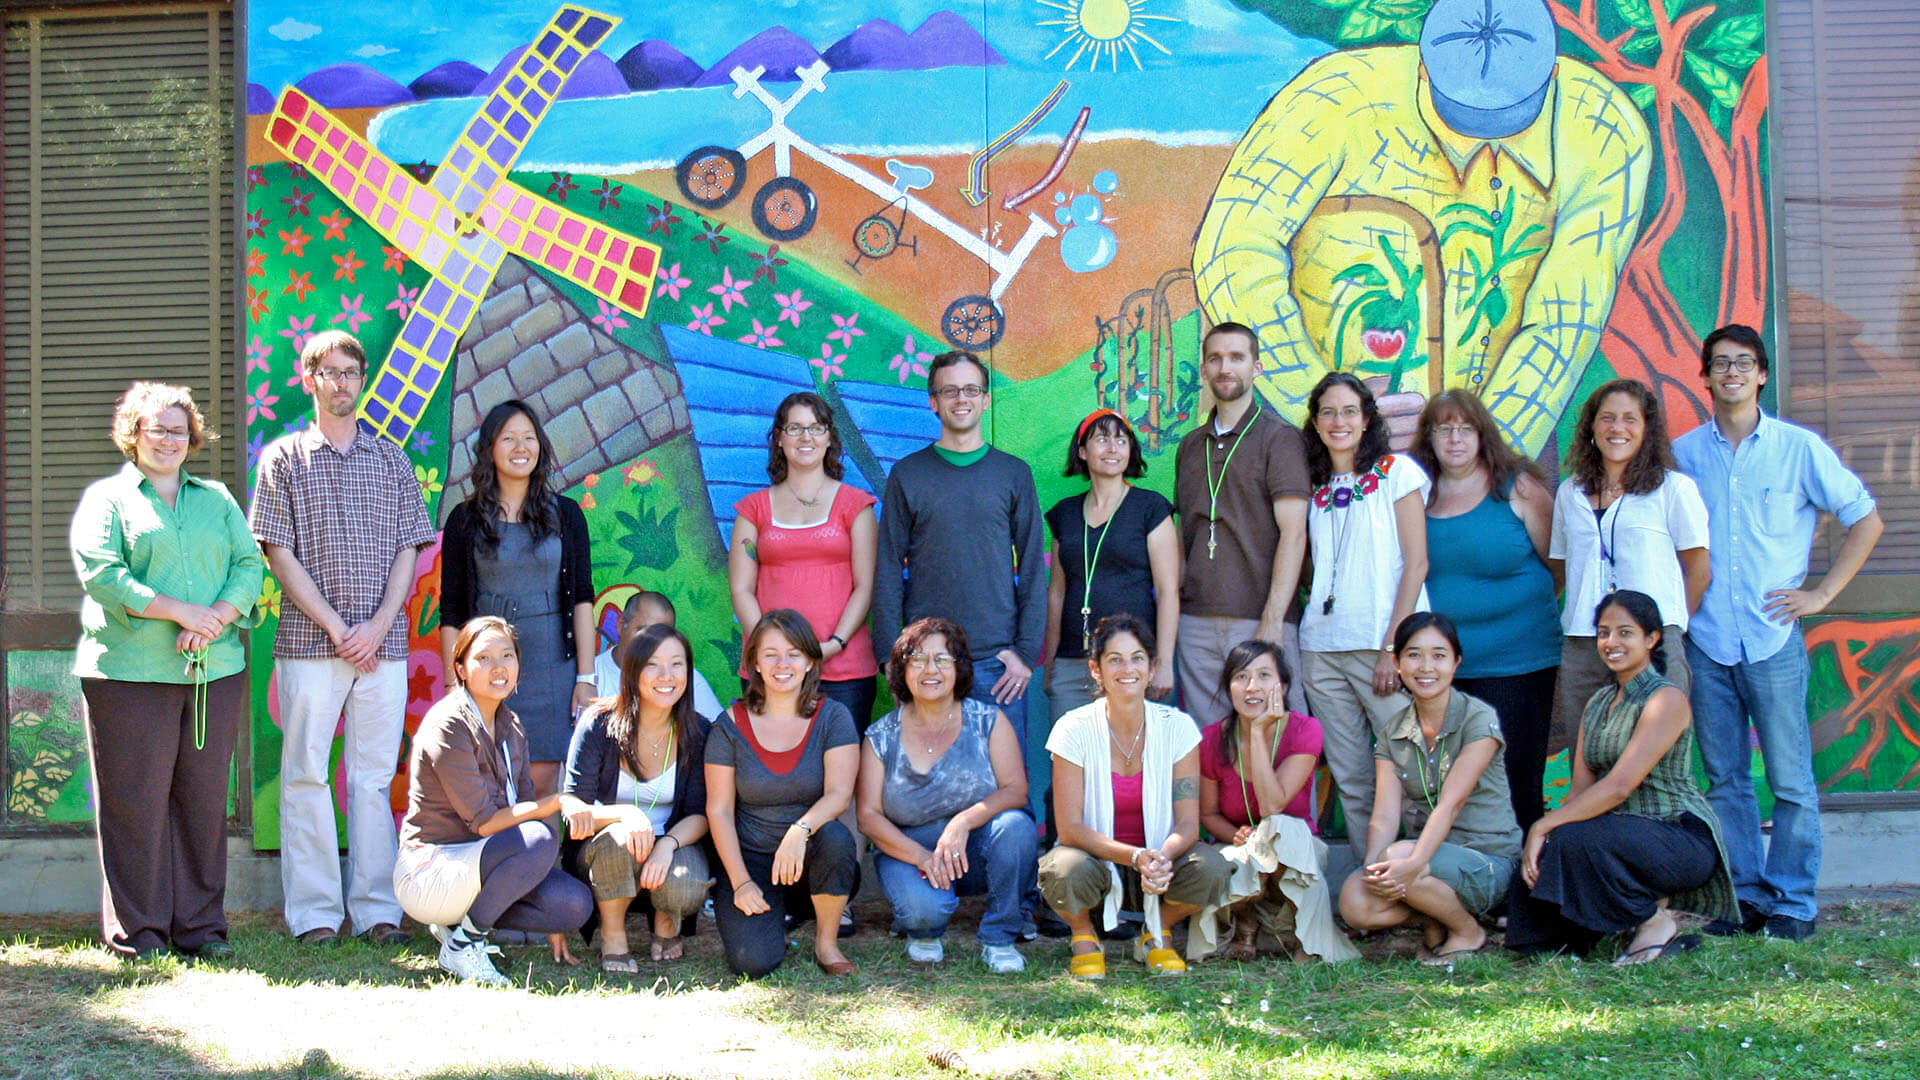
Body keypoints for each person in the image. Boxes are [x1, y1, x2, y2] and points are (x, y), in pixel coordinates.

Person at [1192, 0, 1651, 457]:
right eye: (1465, 116)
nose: (1485, 137)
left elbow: (1565, 315)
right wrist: (1329, 412)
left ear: (1552, 74)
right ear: (1423, 70)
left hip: (1499, 445)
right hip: (1309, 442)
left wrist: (1483, 455)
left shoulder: (1603, 127)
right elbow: (1233, 251)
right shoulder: (1333, 98)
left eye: (1509, 117)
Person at [1674, 325, 1882, 941]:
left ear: (1762, 375)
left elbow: (1864, 519)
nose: (1731, 372)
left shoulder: (1798, 449)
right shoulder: (1684, 456)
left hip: (1772, 640)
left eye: (1744, 363)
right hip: (1707, 640)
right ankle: (1746, 898)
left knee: (1790, 779)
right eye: (1720, 364)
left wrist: (1821, 596)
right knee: (1727, 780)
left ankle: (1793, 902)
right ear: (1705, 377)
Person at [250, 330, 437, 947]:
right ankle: (315, 916)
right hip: (310, 643)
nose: (341, 382)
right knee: (305, 772)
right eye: (328, 372)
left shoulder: (390, 460)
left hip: (382, 645)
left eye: (351, 372)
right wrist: (336, 627)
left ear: (362, 380)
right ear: (309, 380)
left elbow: (410, 547)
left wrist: (381, 624)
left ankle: (378, 909)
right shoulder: (282, 460)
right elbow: (277, 551)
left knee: (374, 776)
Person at [69, 382, 263, 959]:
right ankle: (140, 933)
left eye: (179, 430)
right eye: (157, 428)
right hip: (129, 676)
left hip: (214, 671)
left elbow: (248, 565)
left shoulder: (218, 500)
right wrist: (181, 611)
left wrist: (214, 620)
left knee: (203, 803)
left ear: (192, 437)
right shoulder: (108, 500)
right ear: (134, 434)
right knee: (136, 804)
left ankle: (201, 929)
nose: (169, 440)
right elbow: (102, 574)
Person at [1506, 592, 1739, 963]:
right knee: (1552, 852)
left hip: (1678, 835)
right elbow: (1580, 792)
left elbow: (1618, 787)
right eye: (1603, 633)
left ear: (1651, 639)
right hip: (1618, 837)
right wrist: (1548, 838)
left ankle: (1653, 921)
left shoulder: (1666, 699)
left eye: (1624, 633)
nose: (1611, 643)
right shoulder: (1598, 703)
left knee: (1570, 838)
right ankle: (1561, 941)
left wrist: (1541, 826)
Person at [394, 617, 594, 986]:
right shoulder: (450, 723)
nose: (498, 667)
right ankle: (464, 945)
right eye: (483, 658)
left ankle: (457, 927)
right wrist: (559, 801)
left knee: (573, 905)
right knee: (540, 835)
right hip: (431, 870)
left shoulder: (511, 724)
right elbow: (485, 822)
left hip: (480, 862)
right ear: (460, 669)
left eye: (507, 656)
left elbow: (523, 809)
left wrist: (537, 880)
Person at [1039, 614, 1231, 979]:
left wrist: (1161, 856)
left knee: (1213, 868)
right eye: (1115, 659)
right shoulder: (1072, 728)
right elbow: (1070, 829)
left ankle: (1158, 933)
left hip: (1160, 860)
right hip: (1098, 862)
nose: (1127, 669)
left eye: (1138, 658)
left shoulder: (1178, 728)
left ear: (1153, 666)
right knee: (1060, 868)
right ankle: (1083, 936)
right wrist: (1134, 856)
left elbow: (1189, 822)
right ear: (1096, 669)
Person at [873, 351, 1045, 746]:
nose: (961, 398)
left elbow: (1034, 567)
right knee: (927, 789)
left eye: (971, 389)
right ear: (933, 402)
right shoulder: (907, 474)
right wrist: (889, 656)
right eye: (949, 390)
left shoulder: (1013, 474)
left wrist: (1024, 652)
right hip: (924, 663)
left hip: (997, 664)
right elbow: (886, 570)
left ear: (986, 399)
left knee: (1005, 788)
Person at [1412, 389, 1559, 831]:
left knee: (1517, 781)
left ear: (1482, 435)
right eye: (1444, 429)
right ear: (1430, 438)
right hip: (1444, 673)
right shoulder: (1417, 494)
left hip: (1520, 665)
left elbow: (1560, 565)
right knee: (1454, 787)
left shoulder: (1519, 488)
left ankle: (1526, 890)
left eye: (1465, 429)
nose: (1455, 439)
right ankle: (1472, 884)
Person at [1337, 613, 1521, 964]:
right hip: (1424, 862)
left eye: (1439, 655)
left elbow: (1451, 804)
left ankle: (1469, 932)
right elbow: (1385, 814)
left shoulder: (1477, 718)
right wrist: (1375, 869)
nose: (1426, 667)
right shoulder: (1394, 730)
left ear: (1456, 662)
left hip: (1486, 857)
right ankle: (1436, 917)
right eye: (1413, 655)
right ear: (1397, 663)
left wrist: (1411, 861)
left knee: (1400, 858)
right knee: (1354, 901)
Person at [1299, 372, 1429, 859]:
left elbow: (1416, 562)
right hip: (1321, 649)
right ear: (1315, 421)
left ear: (1368, 417)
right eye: (1328, 412)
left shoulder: (1397, 472)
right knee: (1351, 774)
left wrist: (1393, 648)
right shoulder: (1312, 483)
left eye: (1350, 411)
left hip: (1382, 645)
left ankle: (1419, 879)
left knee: (1410, 767)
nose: (1339, 421)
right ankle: (1370, 880)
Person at [858, 618, 1036, 972]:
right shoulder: (880, 735)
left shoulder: (988, 720)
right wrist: (923, 857)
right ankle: (922, 926)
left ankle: (999, 937)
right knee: (924, 914)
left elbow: (1016, 791)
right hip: (910, 852)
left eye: (942, 659)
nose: (930, 669)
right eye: (918, 659)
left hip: (974, 848)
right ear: (902, 670)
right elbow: (869, 816)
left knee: (1015, 826)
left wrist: (962, 822)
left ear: (960, 668)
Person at [440, 400, 596, 797]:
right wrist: (452, 686)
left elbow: (581, 599)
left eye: (529, 438)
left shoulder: (567, 514)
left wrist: (585, 677)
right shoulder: (465, 519)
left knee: (543, 782)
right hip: (486, 663)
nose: (520, 447)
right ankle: (499, 860)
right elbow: (453, 610)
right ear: (490, 449)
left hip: (550, 665)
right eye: (508, 438)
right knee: (488, 779)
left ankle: (543, 859)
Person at [1548, 378, 1710, 756]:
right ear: (1591, 427)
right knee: (1588, 753)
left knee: (1654, 757)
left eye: (1629, 419)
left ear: (1647, 429)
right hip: (1584, 643)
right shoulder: (1569, 493)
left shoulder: (1674, 490)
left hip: (1651, 642)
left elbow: (1699, 572)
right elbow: (1559, 567)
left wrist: (1668, 628)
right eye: (1606, 418)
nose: (1617, 428)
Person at [705, 609, 861, 978]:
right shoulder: (729, 726)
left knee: (836, 838)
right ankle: (775, 914)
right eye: (770, 654)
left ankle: (826, 942)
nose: (782, 664)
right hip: (753, 861)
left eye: (794, 653)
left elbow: (839, 794)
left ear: (810, 661)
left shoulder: (833, 717)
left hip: (812, 857)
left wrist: (800, 830)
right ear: (755, 663)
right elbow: (719, 812)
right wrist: (741, 882)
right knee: (753, 963)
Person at [1173, 321, 1311, 727]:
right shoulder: (1190, 446)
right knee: (1211, 747)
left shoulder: (1280, 438)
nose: (1224, 367)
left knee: (1276, 740)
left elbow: (1295, 533)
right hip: (1196, 622)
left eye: (1237, 357)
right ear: (1203, 369)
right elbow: (1187, 536)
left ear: (1257, 367)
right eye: (1214, 358)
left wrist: (1272, 620)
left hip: (1259, 619)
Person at [561, 623, 713, 971]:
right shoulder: (598, 723)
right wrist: (624, 816)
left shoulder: (699, 731)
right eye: (653, 665)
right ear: (632, 671)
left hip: (670, 843)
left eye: (677, 664)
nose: (667, 675)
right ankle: (613, 934)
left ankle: (665, 921)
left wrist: (667, 844)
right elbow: (572, 805)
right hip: (606, 846)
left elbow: (701, 813)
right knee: (617, 838)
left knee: (687, 885)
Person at [729, 391, 880, 728]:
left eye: (816, 427)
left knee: (843, 772)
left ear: (830, 439)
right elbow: (741, 589)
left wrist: (834, 645)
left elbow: (866, 585)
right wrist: (769, 652)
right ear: (779, 439)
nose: (806, 437)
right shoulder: (752, 509)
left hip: (844, 669)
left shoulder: (856, 505)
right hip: (771, 671)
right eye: (795, 428)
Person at [1195, 641, 1330, 961]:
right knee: (1228, 858)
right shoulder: (1213, 738)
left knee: (1280, 829)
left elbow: (1273, 806)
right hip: (1239, 851)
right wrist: (1235, 835)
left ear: (1282, 686)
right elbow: (1209, 814)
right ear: (1229, 687)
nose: (1252, 687)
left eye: (1265, 676)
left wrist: (1257, 733)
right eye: (1241, 677)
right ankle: (1246, 924)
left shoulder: (1305, 729)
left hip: (1295, 853)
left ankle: (1305, 937)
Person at [1044, 408, 1179, 724]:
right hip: (1072, 662)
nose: (1112, 448)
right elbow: (1057, 594)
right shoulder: (1064, 514)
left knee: (1131, 763)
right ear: (1082, 451)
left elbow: (1168, 590)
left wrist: (1166, 662)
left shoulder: (1151, 508)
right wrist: (1050, 661)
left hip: (1132, 663)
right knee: (1071, 763)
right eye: (1101, 439)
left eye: (1121, 440)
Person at [591, 590, 723, 719]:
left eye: (661, 636)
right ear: (621, 625)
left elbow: (719, 735)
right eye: (643, 632)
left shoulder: (684, 679)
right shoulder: (591, 676)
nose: (650, 645)